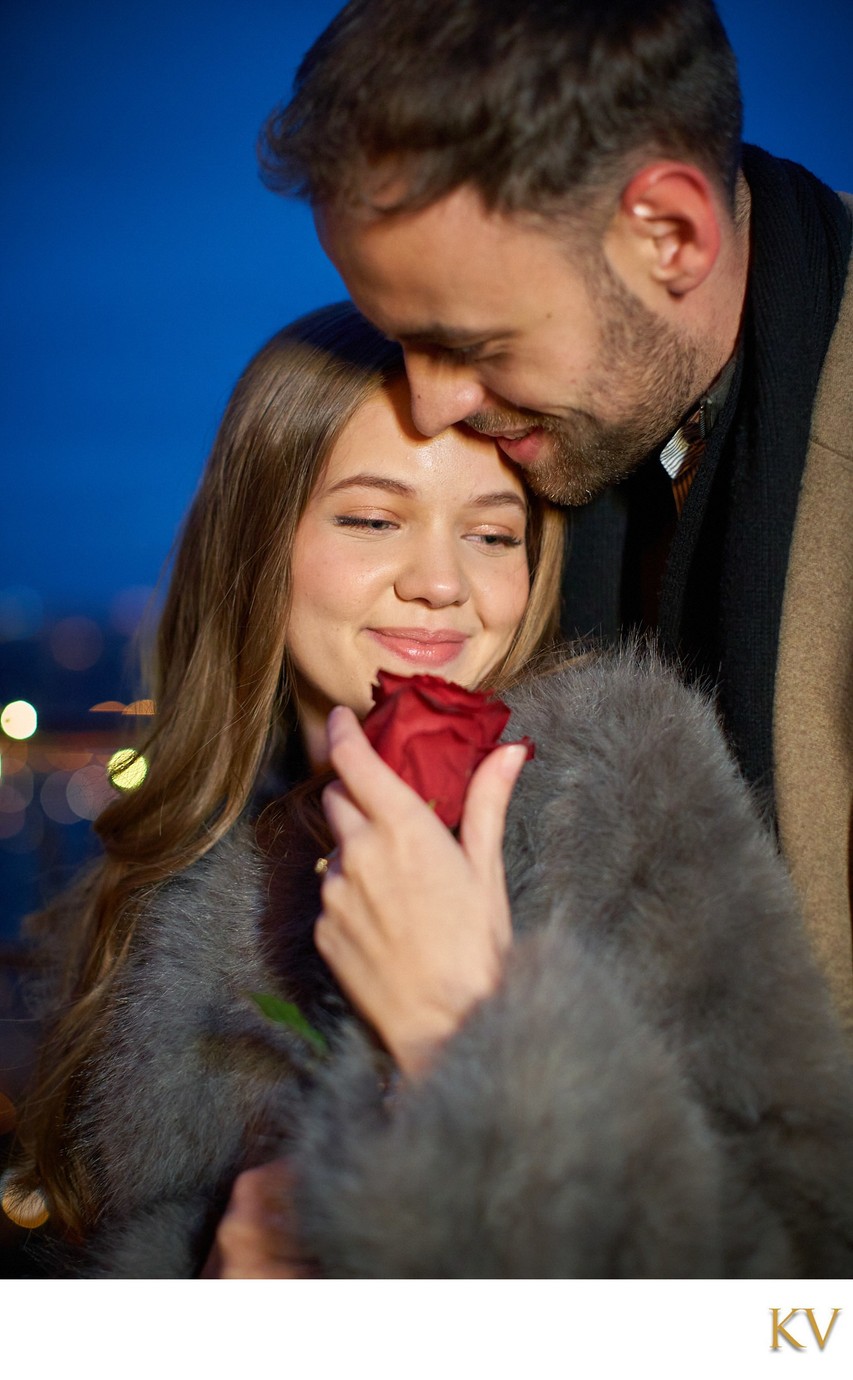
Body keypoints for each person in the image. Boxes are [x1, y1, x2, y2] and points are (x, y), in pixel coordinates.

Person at [8, 304, 853, 1279]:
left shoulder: (624, 799)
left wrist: (461, 1036)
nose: (441, 582)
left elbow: (802, 1283)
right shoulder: (177, 892)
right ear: (256, 548)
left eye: (493, 535)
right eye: (373, 519)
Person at [257, 0, 853, 1035]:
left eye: (470, 342)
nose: (433, 404)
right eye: (403, 341)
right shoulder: (589, 431)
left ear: (667, 235)